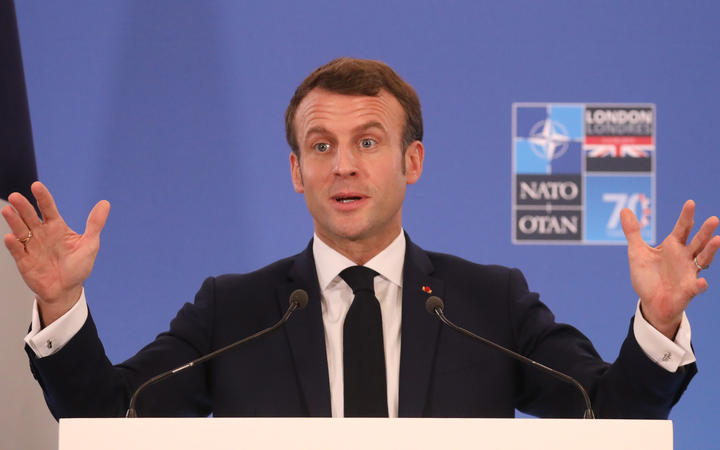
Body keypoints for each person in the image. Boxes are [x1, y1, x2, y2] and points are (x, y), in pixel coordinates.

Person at [2, 58, 718, 419]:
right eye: (320, 145)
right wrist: (62, 305)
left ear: (412, 161)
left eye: (367, 141)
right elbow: (107, 419)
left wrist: (658, 321)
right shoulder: (234, 310)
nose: (342, 164)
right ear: (295, 171)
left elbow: (609, 415)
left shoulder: (490, 303)